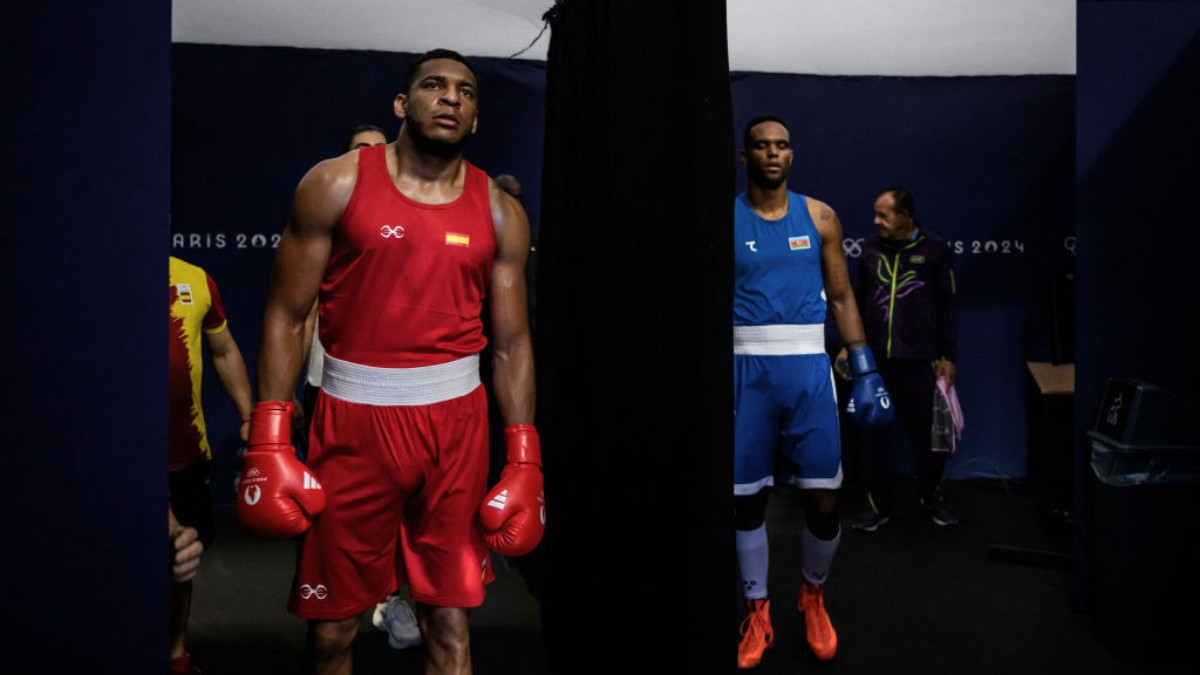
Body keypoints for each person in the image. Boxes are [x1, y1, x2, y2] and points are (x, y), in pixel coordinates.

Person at [237, 49, 543, 675]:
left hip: (456, 426)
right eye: (433, 85)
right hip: (354, 423)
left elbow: (512, 344)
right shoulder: (336, 183)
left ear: (477, 118)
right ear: (403, 105)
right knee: (331, 633)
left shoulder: (499, 211)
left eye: (465, 90)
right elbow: (285, 315)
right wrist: (270, 438)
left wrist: (523, 456)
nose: (450, 97)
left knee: (450, 630)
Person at [733, 115, 891, 669]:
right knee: (744, 500)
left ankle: (813, 595)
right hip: (744, 369)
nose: (772, 154)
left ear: (790, 156)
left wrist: (865, 366)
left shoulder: (819, 215)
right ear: (745, 155)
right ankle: (757, 608)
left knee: (823, 500)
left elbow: (843, 296)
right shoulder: (724, 218)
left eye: (781, 146)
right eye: (761, 146)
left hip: (807, 369)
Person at [842, 187, 959, 530]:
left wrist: (949, 357)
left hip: (922, 361)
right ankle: (876, 504)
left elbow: (947, 307)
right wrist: (850, 346)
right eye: (876, 214)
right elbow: (855, 302)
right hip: (875, 363)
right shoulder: (868, 250)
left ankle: (932, 495)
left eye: (884, 215)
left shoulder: (935, 250)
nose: (876, 221)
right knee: (873, 438)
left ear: (905, 216)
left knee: (930, 438)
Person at [168, 255, 254, 675]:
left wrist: (248, 417)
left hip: (185, 452)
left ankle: (175, 653)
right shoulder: (103, 277)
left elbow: (223, 350)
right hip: (120, 457)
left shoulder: (195, 279)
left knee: (181, 560)